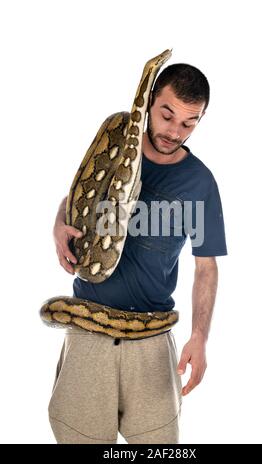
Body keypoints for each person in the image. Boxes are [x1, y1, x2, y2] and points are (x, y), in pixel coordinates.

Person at [48, 63, 228, 444]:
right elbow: (78, 193)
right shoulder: (116, 142)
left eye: (189, 123)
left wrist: (199, 336)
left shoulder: (200, 182)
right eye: (167, 115)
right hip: (87, 333)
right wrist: (58, 222)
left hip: (151, 340)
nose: (174, 132)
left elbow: (206, 267)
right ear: (149, 104)